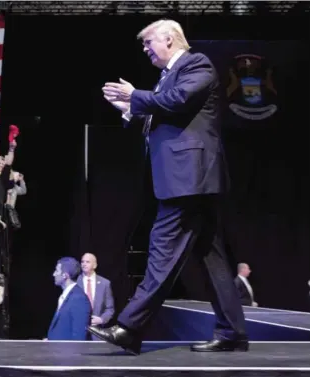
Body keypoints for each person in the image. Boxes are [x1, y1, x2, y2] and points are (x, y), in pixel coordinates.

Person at [92, 19, 248, 354]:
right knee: (212, 258)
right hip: (189, 179)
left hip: (190, 178)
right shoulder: (168, 76)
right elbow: (170, 112)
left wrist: (136, 97)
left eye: (148, 43)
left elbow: (177, 101)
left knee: (162, 251)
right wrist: (132, 109)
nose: (146, 49)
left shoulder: (197, 63)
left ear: (169, 38)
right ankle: (232, 332)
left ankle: (130, 328)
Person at [47, 257, 91, 341]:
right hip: (56, 351)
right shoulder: (66, 295)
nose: (54, 274)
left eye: (57, 271)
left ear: (65, 275)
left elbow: (79, 337)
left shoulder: (79, 298)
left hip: (66, 353)